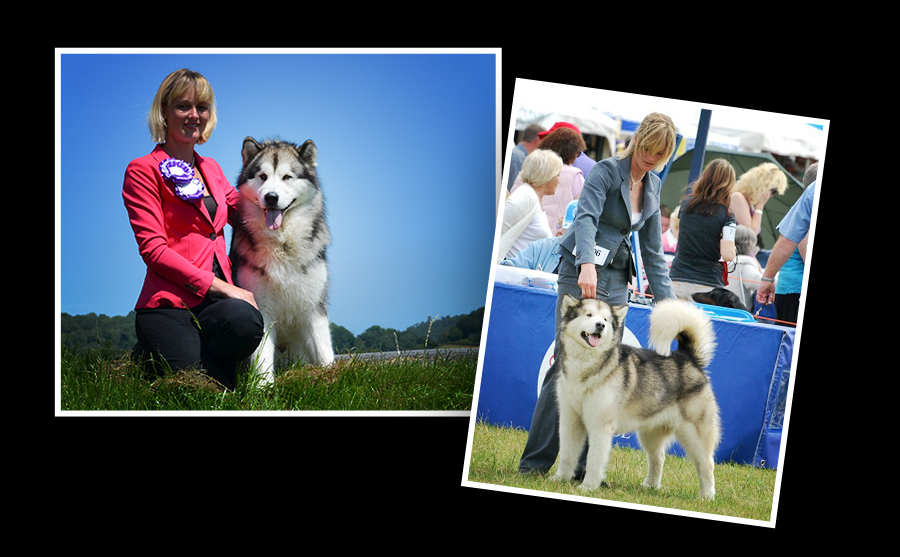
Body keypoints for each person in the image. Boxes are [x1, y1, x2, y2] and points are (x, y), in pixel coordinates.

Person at [518, 112, 678, 476]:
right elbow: (586, 218)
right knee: (566, 367)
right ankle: (534, 465)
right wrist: (586, 262)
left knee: (605, 375)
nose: (650, 157)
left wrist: (667, 303)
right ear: (637, 141)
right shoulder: (606, 171)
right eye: (647, 148)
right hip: (580, 271)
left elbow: (653, 253)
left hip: (618, 279)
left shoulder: (652, 186)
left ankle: (582, 472)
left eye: (659, 153)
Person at [123, 69, 264, 391]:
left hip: (218, 309)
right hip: (168, 303)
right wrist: (227, 288)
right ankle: (150, 355)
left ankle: (207, 369)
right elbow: (153, 250)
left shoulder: (211, 167)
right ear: (163, 112)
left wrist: (278, 195)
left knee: (245, 321)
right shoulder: (141, 170)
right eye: (183, 106)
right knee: (201, 391)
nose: (194, 115)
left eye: (202, 107)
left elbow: (241, 211)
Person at [669, 159, 738, 300]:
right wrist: (733, 248)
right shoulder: (727, 214)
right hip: (708, 284)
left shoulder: (686, 204)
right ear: (729, 184)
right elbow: (728, 255)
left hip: (677, 277)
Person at [757, 177, 818, 323]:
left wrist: (767, 278)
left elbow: (788, 239)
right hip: (793, 290)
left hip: (791, 289)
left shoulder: (811, 195)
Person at [511, 123, 586, 236]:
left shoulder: (526, 171)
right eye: (578, 152)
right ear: (572, 151)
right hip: (555, 241)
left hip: (522, 237)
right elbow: (581, 213)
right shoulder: (575, 176)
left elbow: (512, 202)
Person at [499, 149, 563, 260]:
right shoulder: (526, 196)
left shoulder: (533, 197)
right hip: (509, 272)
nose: (559, 180)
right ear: (546, 174)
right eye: (557, 175)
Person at [729, 162, 787, 245]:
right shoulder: (738, 197)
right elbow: (751, 234)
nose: (771, 195)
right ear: (763, 185)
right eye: (773, 190)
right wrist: (760, 206)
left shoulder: (749, 203)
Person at [725, 225, 764, 308]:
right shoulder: (744, 264)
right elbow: (761, 283)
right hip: (737, 312)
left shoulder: (723, 261)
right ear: (750, 245)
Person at [507, 124, 544, 191]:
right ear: (538, 140)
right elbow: (513, 188)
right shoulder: (519, 158)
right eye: (543, 142)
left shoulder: (517, 154)